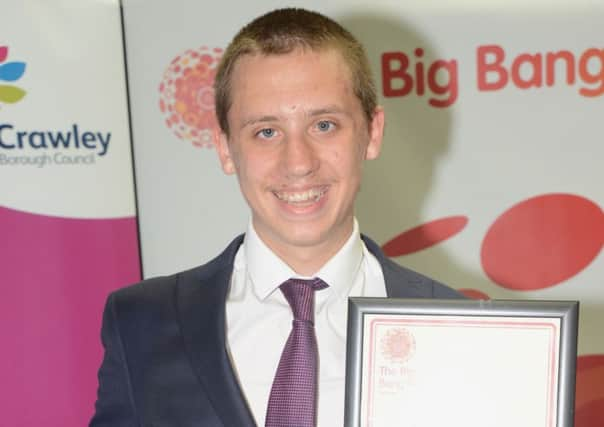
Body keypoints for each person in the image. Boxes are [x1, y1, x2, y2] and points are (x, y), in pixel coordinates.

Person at [90, 8, 462, 427]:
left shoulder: (460, 328)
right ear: (226, 148)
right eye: (266, 132)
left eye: (324, 125)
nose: (298, 163)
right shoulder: (142, 323)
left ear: (372, 133)